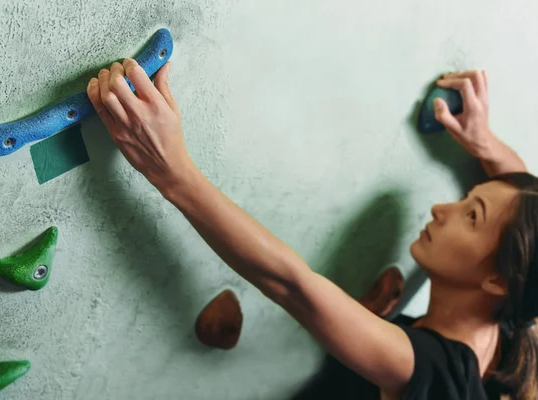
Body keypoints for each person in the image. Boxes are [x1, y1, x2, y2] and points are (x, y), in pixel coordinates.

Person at [86, 61, 538, 400]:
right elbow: (523, 235)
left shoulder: (433, 372)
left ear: (498, 278)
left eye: (472, 215)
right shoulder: (515, 327)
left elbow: (292, 285)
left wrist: (173, 172)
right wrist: (488, 146)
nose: (443, 209)